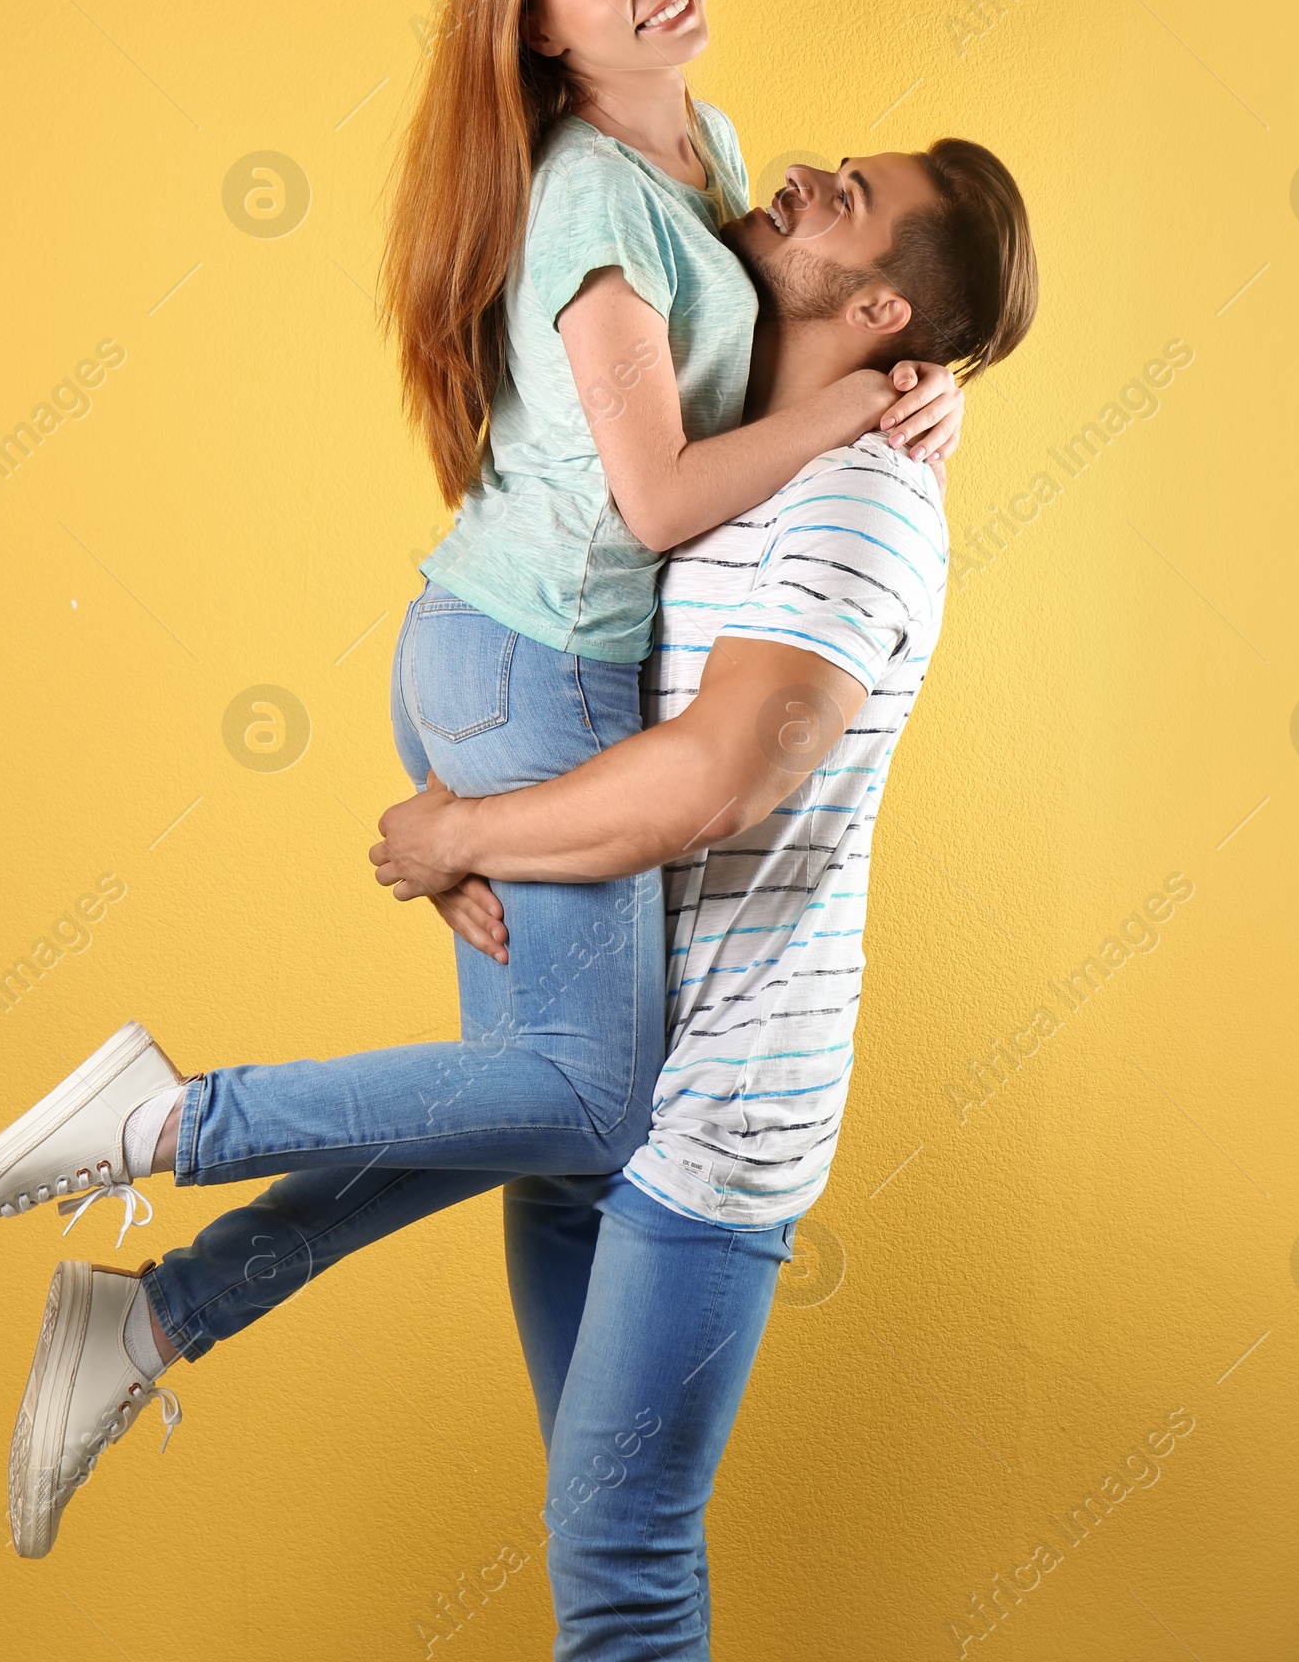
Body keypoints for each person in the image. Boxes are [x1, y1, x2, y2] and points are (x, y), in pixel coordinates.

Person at [0, 0, 964, 1563]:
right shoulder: (592, 206)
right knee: (593, 1103)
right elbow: (658, 502)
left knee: (529, 1114)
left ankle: (152, 1317)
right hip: (520, 664)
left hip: (526, 670)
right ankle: (165, 1118)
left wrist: (924, 380)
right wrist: (860, 416)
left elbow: (809, 330)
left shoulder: (692, 143)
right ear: (542, 30)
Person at [367, 136, 1038, 1659]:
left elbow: (716, 780)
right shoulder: (716, 447)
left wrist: (461, 831)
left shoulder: (865, 508)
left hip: (715, 1114)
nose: (801, 171)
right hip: (592, 1067)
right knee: (595, 1530)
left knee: (621, 1558)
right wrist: (479, 842)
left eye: (847, 202)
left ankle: (167, 1166)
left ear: (880, 319)